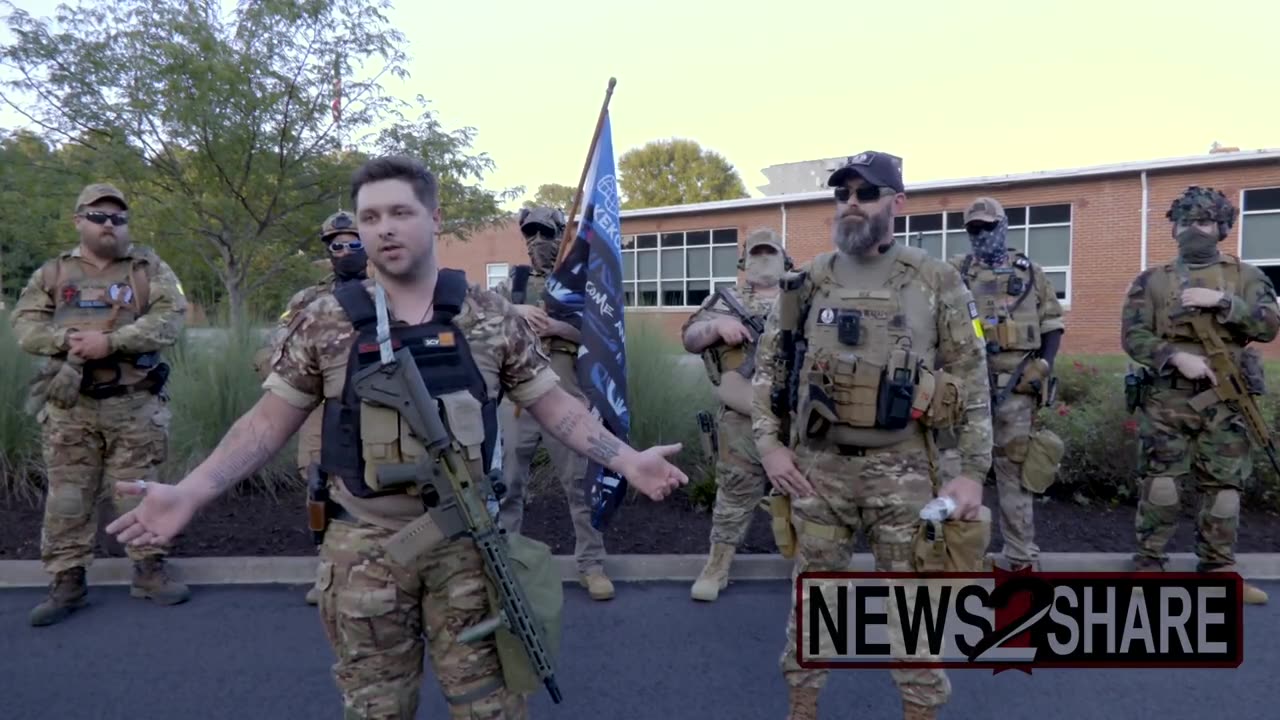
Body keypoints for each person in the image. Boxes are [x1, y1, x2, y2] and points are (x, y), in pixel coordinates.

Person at [104, 156, 688, 719]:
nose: (384, 229)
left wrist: (627, 460)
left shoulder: (489, 317)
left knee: (491, 706)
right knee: (377, 708)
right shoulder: (326, 319)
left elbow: (558, 407)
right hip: (364, 550)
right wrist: (191, 492)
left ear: (433, 219)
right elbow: (263, 425)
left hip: (469, 547)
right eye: (370, 217)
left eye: (400, 213)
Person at [751, 151, 993, 720]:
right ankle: (803, 709)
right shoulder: (807, 281)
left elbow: (972, 378)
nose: (852, 203)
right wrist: (769, 444)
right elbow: (770, 371)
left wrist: (971, 474)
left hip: (906, 473)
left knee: (912, 611)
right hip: (819, 471)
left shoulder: (937, 281)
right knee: (814, 606)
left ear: (897, 203)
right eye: (843, 194)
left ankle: (919, 710)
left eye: (867, 193)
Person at [10, 182, 190, 627]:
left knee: (139, 491)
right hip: (71, 407)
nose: (109, 225)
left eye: (118, 218)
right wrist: (68, 341)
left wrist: (109, 342)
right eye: (99, 216)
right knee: (68, 498)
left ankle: (148, 570)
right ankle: (67, 581)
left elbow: (170, 319)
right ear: (78, 221)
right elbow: (25, 324)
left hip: (134, 405)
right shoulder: (54, 273)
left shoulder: (147, 269)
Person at [1121, 185, 1275, 606]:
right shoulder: (1152, 281)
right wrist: (1173, 357)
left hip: (1227, 400)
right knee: (1161, 486)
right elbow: (1132, 336)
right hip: (1168, 399)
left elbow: (1267, 326)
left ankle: (1219, 568)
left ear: (1222, 227)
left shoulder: (1246, 277)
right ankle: (1149, 564)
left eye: (1204, 222)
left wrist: (1225, 303)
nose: (1195, 230)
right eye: (1186, 221)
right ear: (1173, 227)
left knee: (1224, 488)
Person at [492, 205, 613, 601]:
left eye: (547, 233)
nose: (538, 242)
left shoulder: (581, 285)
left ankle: (591, 565)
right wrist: (514, 311)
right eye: (531, 233)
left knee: (579, 483)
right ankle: (506, 564)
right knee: (507, 483)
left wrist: (563, 327)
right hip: (517, 399)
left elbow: (607, 335)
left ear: (564, 234)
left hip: (565, 395)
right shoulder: (513, 283)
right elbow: (475, 318)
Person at [252, 209, 369, 605]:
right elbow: (278, 348)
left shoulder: (389, 289)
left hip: (380, 408)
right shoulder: (307, 299)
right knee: (320, 487)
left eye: (356, 243)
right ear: (328, 252)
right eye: (339, 245)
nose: (348, 251)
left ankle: (377, 573)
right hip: (324, 407)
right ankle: (329, 572)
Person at [948, 196, 1065, 571]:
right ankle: (959, 558)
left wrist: (1044, 365)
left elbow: (1051, 325)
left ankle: (1019, 558)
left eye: (988, 226)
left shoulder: (1031, 273)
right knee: (958, 470)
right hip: (967, 387)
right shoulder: (956, 272)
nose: (982, 234)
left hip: (1017, 389)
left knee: (1014, 475)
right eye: (974, 229)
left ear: (1004, 226)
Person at [680, 227, 788, 601]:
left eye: (770, 252)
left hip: (800, 418)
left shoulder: (804, 296)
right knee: (734, 494)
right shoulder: (725, 301)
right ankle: (717, 565)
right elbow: (690, 339)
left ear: (786, 260)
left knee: (812, 495)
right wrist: (716, 326)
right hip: (742, 418)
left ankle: (816, 567)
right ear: (743, 262)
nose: (762, 259)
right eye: (755, 253)